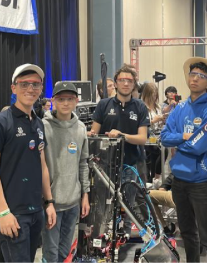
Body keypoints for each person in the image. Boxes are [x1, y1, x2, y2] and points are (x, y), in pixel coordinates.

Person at [0, 64, 57, 262]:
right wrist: (3, 212)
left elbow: (42, 166)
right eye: (24, 84)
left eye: (35, 84)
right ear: (13, 88)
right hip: (13, 213)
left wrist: (49, 202)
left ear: (41, 89)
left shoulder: (38, 123)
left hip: (35, 211)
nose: (30, 89)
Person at [161, 57, 207, 262]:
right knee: (186, 232)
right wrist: (183, 137)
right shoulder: (179, 108)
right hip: (179, 181)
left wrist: (178, 142)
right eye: (192, 74)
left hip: (200, 182)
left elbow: (199, 146)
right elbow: (164, 137)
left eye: (201, 76)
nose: (195, 79)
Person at [89, 64, 149, 237]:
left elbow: (142, 138)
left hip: (130, 164)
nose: (125, 83)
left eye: (129, 80)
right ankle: (103, 239)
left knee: (128, 206)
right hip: (105, 166)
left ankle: (124, 238)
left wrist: (122, 135)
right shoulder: (103, 105)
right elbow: (95, 134)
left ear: (134, 84)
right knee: (104, 206)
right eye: (122, 80)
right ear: (115, 83)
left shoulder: (139, 107)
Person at [41, 82, 91, 263]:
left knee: (64, 253)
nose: (65, 103)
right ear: (53, 100)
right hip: (52, 203)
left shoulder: (80, 128)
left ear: (76, 101)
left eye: (70, 99)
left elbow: (83, 163)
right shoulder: (43, 127)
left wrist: (85, 195)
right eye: (61, 99)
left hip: (73, 203)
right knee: (50, 254)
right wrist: (47, 201)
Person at [141, 83, 164, 187]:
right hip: (147, 136)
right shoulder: (142, 107)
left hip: (158, 134)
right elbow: (142, 123)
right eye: (152, 94)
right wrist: (154, 120)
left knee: (159, 153)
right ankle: (155, 177)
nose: (154, 97)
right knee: (159, 151)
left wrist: (162, 120)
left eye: (156, 94)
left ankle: (155, 178)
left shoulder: (158, 107)